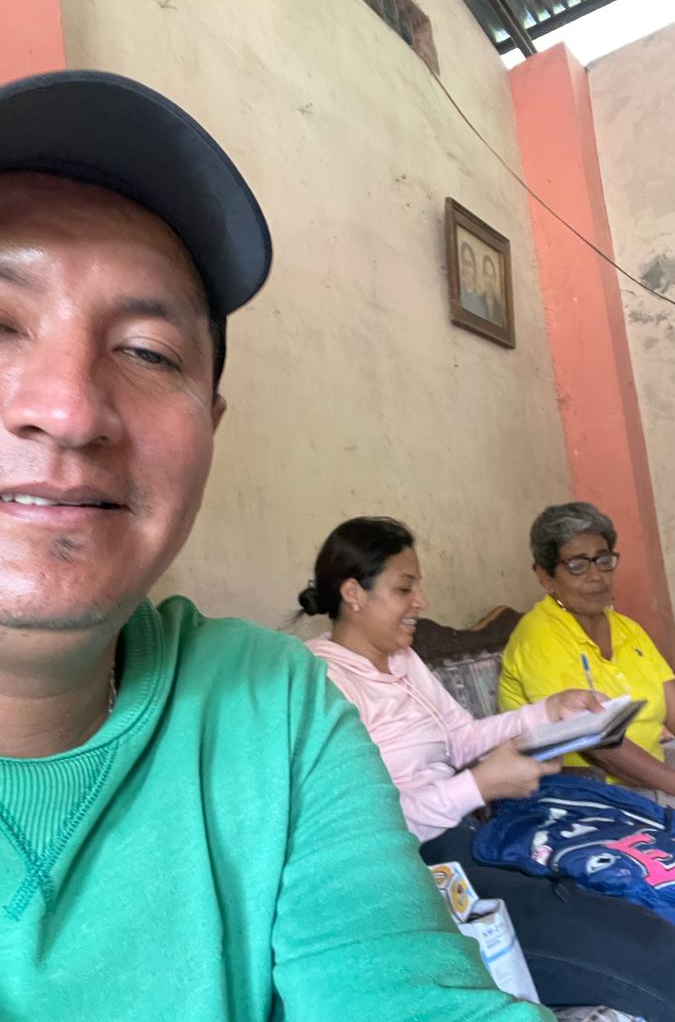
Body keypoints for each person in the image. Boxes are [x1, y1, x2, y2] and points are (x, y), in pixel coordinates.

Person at [0, 69, 554, 1022]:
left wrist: (535, 729)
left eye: (148, 352)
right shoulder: (329, 673)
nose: (69, 409)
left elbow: (405, 990)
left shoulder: (272, 702)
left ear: (210, 428)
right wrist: (479, 785)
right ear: (351, 593)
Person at [302, 515, 675, 1022]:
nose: (421, 601)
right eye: (404, 588)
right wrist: (480, 785)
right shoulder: (319, 683)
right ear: (353, 592)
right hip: (427, 872)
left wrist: (548, 711)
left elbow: (461, 737)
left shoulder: (400, 660)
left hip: (484, 833)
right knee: (645, 943)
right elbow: (366, 830)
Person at [498, 501, 675, 875]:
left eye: (603, 559)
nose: (596, 576)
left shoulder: (626, 629)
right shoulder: (541, 637)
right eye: (577, 565)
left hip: (653, 766)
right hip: (588, 788)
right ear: (545, 576)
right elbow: (599, 747)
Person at [459, 239, 488, 317]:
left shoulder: (480, 303)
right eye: (465, 263)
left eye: (470, 265)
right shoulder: (459, 294)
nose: (467, 269)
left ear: (474, 269)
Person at [482, 252, 505, 326]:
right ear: (483, 276)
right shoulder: (478, 300)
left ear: (495, 279)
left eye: (492, 276)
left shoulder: (499, 307)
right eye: (487, 275)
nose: (489, 281)